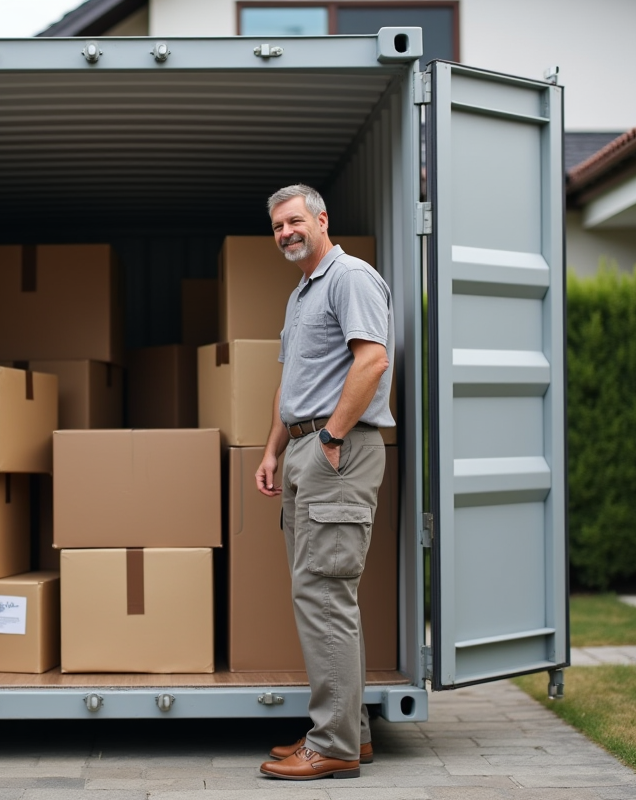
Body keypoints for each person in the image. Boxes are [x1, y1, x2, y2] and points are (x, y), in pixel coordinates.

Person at [255, 184, 394, 781]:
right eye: (277, 227)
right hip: (305, 446)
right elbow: (291, 385)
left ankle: (332, 743)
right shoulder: (302, 294)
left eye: (294, 221)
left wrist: (331, 439)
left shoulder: (350, 277)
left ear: (321, 219)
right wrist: (272, 450)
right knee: (324, 597)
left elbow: (372, 360)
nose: (286, 233)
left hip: (336, 449)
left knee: (324, 596)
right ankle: (349, 734)